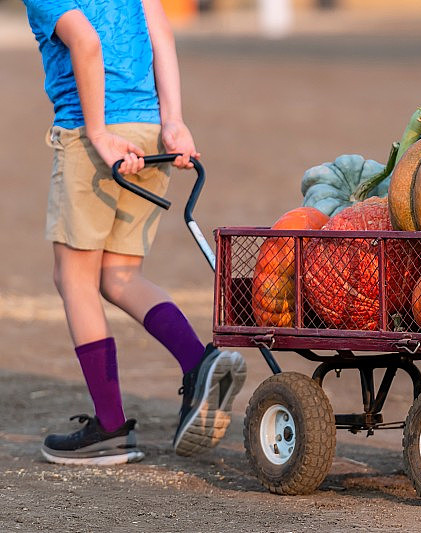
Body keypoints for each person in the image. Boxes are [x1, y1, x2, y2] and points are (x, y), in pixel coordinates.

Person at [22, 0, 247, 465]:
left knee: (74, 279)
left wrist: (100, 133)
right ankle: (199, 362)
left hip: (95, 136)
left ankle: (109, 426)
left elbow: (84, 41)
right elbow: (159, 30)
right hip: (148, 130)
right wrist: (173, 121)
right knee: (119, 275)